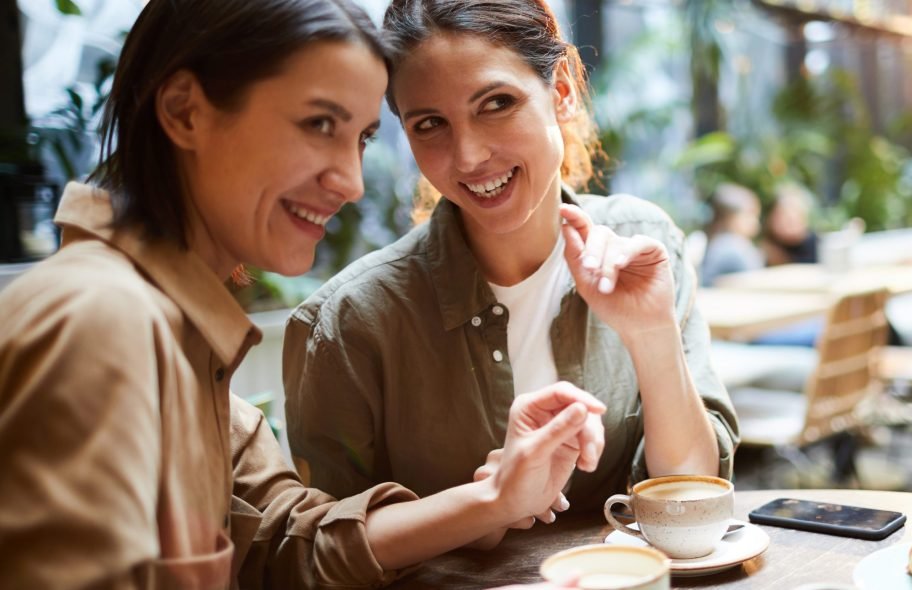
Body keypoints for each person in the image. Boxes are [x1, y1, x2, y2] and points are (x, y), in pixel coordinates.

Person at [0, 1, 606, 587]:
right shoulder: (101, 320)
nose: (350, 182)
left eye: (362, 138)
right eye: (319, 124)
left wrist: (496, 498)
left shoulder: (180, 330)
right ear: (186, 112)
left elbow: (288, 541)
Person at [283, 0, 739, 548]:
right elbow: (326, 552)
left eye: (497, 103)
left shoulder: (644, 243)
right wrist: (485, 507)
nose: (470, 155)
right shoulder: (352, 321)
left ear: (563, 88)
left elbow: (688, 496)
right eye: (430, 124)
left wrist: (650, 334)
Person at [699, 182, 764, 286]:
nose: (756, 222)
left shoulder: (718, 242)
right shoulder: (734, 248)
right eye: (751, 214)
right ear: (731, 218)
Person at [761, 182, 819, 266]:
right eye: (781, 216)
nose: (787, 223)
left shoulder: (817, 246)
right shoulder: (766, 246)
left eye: (792, 218)